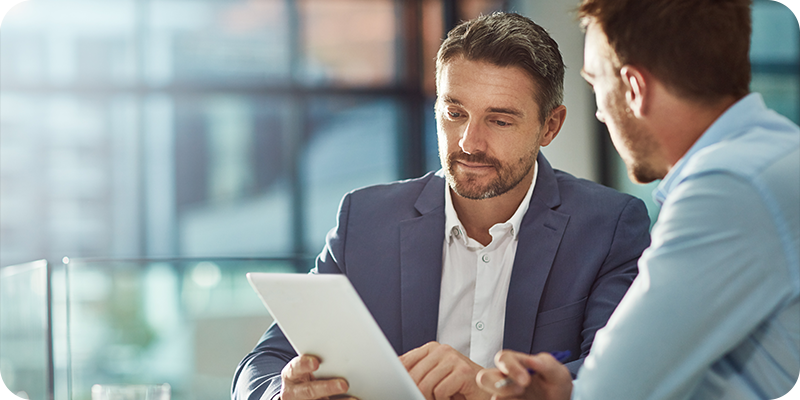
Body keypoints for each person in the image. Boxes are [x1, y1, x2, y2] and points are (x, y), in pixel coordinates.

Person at [232, 12, 651, 400]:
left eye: (500, 120)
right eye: (454, 113)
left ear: (550, 126)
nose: (469, 143)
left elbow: (622, 378)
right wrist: (283, 391)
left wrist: (488, 387)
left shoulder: (609, 227)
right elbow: (259, 367)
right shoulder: (365, 220)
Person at [477, 1, 800, 399]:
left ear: (634, 88)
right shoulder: (777, 155)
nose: (598, 112)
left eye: (596, 84)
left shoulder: (728, 188)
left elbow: (612, 392)